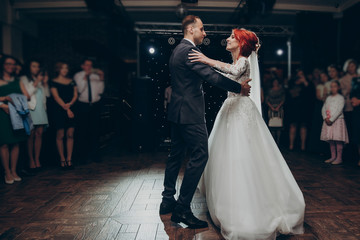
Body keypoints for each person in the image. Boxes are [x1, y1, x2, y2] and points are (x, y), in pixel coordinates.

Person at [190, 28, 305, 239]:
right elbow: (224, 76)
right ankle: (230, 201)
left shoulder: (243, 60)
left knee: (242, 155)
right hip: (230, 108)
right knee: (227, 157)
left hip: (241, 111)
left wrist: (206, 59)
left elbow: (233, 73)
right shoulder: (236, 62)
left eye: (233, 37)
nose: (228, 39)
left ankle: (248, 205)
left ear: (242, 43)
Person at [159, 15, 250, 230]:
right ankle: (182, 208)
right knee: (201, 155)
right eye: (202, 29)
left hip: (177, 112)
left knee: (175, 156)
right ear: (191, 30)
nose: (205, 33)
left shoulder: (177, 50)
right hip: (190, 114)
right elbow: (211, 76)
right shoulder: (190, 51)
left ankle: (167, 200)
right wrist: (239, 88)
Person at [0, 55, 30, 184]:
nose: (11, 66)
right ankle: (7, 172)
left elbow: (26, 96)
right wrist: (4, 99)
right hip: (3, 114)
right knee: (4, 144)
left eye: (13, 64)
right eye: (8, 64)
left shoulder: (18, 81)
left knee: (16, 143)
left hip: (16, 114)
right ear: (2, 65)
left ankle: (14, 170)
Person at [73, 59, 104, 163]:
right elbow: (80, 90)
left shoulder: (95, 77)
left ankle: (95, 154)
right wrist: (85, 77)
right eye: (87, 65)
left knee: (95, 130)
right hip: (83, 105)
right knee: (82, 131)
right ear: (82, 66)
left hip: (95, 105)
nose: (89, 67)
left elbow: (100, 91)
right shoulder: (78, 76)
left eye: (90, 65)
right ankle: (82, 156)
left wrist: (101, 78)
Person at [20, 60, 50, 170]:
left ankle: (37, 159)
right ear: (29, 67)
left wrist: (45, 83)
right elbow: (26, 94)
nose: (36, 68)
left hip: (41, 109)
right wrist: (36, 82)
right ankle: (31, 160)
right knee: (31, 135)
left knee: (39, 134)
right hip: (31, 109)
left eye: (37, 66)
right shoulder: (24, 79)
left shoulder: (40, 79)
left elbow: (46, 95)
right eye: (34, 66)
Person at [49, 62, 78, 169]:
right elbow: (56, 97)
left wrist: (70, 105)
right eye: (62, 68)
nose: (65, 70)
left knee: (70, 134)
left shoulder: (72, 81)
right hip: (59, 110)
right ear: (58, 69)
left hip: (72, 108)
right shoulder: (53, 82)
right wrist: (67, 109)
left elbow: (75, 94)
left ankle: (69, 159)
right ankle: (62, 159)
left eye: (66, 67)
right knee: (60, 135)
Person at [321, 81, 349, 165]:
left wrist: (332, 119)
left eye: (335, 86)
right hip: (328, 120)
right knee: (331, 139)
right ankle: (333, 156)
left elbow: (339, 110)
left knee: (337, 139)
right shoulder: (328, 98)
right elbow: (323, 108)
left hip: (337, 121)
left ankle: (339, 157)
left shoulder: (340, 98)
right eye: (331, 87)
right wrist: (325, 117)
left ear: (338, 87)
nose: (333, 88)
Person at [266, 78, 285, 145]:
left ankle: (278, 141)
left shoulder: (281, 90)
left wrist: (278, 107)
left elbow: (283, 99)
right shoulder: (269, 90)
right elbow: (267, 99)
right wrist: (271, 107)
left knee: (279, 125)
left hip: (279, 108)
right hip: (271, 109)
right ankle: (273, 141)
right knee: (272, 125)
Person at [350, 75, 360, 166]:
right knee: (358, 135)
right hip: (357, 112)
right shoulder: (355, 81)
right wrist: (353, 100)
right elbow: (352, 94)